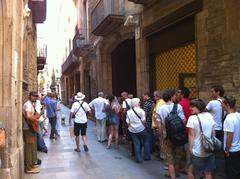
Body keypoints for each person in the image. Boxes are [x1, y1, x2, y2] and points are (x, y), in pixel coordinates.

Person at [156, 89, 185, 178]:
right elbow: (183, 120)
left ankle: (173, 177)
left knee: (170, 160)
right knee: (177, 157)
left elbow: (159, 125)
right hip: (178, 135)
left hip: (167, 136)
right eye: (174, 95)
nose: (175, 96)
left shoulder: (160, 109)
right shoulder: (178, 107)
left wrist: (161, 138)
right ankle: (176, 173)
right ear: (171, 97)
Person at [187, 99, 216, 179]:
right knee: (208, 172)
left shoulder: (192, 118)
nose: (190, 108)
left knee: (191, 171)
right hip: (209, 149)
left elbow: (191, 135)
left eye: (192, 106)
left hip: (197, 151)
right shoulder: (209, 116)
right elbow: (213, 132)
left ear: (198, 107)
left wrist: (190, 149)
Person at [126, 98, 150, 163]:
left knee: (136, 143)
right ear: (136, 103)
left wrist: (130, 127)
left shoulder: (128, 112)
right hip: (141, 128)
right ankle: (147, 156)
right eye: (139, 102)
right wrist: (145, 126)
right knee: (146, 141)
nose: (139, 103)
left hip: (133, 130)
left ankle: (138, 158)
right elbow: (144, 120)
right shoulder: (141, 111)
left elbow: (127, 122)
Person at [222, 96, 240, 179]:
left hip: (232, 150)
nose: (222, 105)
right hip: (238, 148)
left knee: (231, 174)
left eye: (223, 103)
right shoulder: (238, 115)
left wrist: (227, 150)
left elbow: (230, 136)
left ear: (227, 105)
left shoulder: (229, 118)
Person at [22, 91, 40, 174]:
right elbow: (29, 116)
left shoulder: (31, 104)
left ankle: (32, 164)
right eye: (33, 96)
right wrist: (37, 119)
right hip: (28, 129)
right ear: (30, 96)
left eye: (36, 96)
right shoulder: (28, 104)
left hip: (31, 128)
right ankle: (29, 168)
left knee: (32, 147)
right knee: (29, 148)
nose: (35, 97)